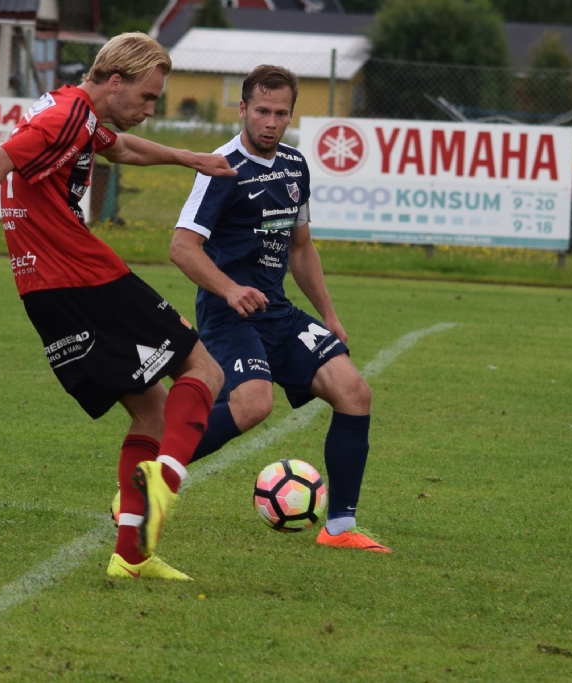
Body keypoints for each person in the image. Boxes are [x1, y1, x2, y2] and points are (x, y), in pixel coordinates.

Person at [0, 33, 234, 580]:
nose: (150, 109)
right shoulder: (67, 115)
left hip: (44, 292)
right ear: (115, 81)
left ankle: (131, 557)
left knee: (152, 412)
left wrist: (188, 158)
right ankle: (167, 479)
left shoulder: (75, 113)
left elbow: (121, 149)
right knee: (205, 369)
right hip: (84, 276)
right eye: (147, 97)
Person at [170, 65, 390, 553]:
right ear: (243, 109)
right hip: (228, 316)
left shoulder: (294, 164)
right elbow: (182, 248)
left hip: (279, 313)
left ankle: (340, 528)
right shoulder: (221, 168)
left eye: (281, 113)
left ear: (291, 114)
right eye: (262, 111)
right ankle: (152, 473)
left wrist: (328, 315)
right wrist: (230, 289)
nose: (271, 122)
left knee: (354, 392)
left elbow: (300, 247)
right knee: (254, 404)